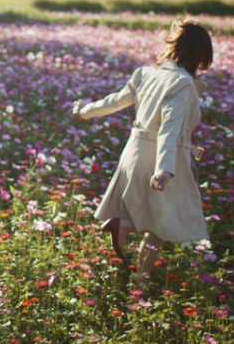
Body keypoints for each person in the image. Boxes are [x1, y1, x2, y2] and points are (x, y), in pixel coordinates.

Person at [73, 17, 213, 286]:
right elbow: (168, 130)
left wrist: (84, 111)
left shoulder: (145, 73)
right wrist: (165, 168)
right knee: (163, 222)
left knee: (159, 220)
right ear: (199, 56)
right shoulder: (182, 83)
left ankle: (138, 276)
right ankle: (138, 272)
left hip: (134, 152)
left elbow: (115, 101)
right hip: (161, 156)